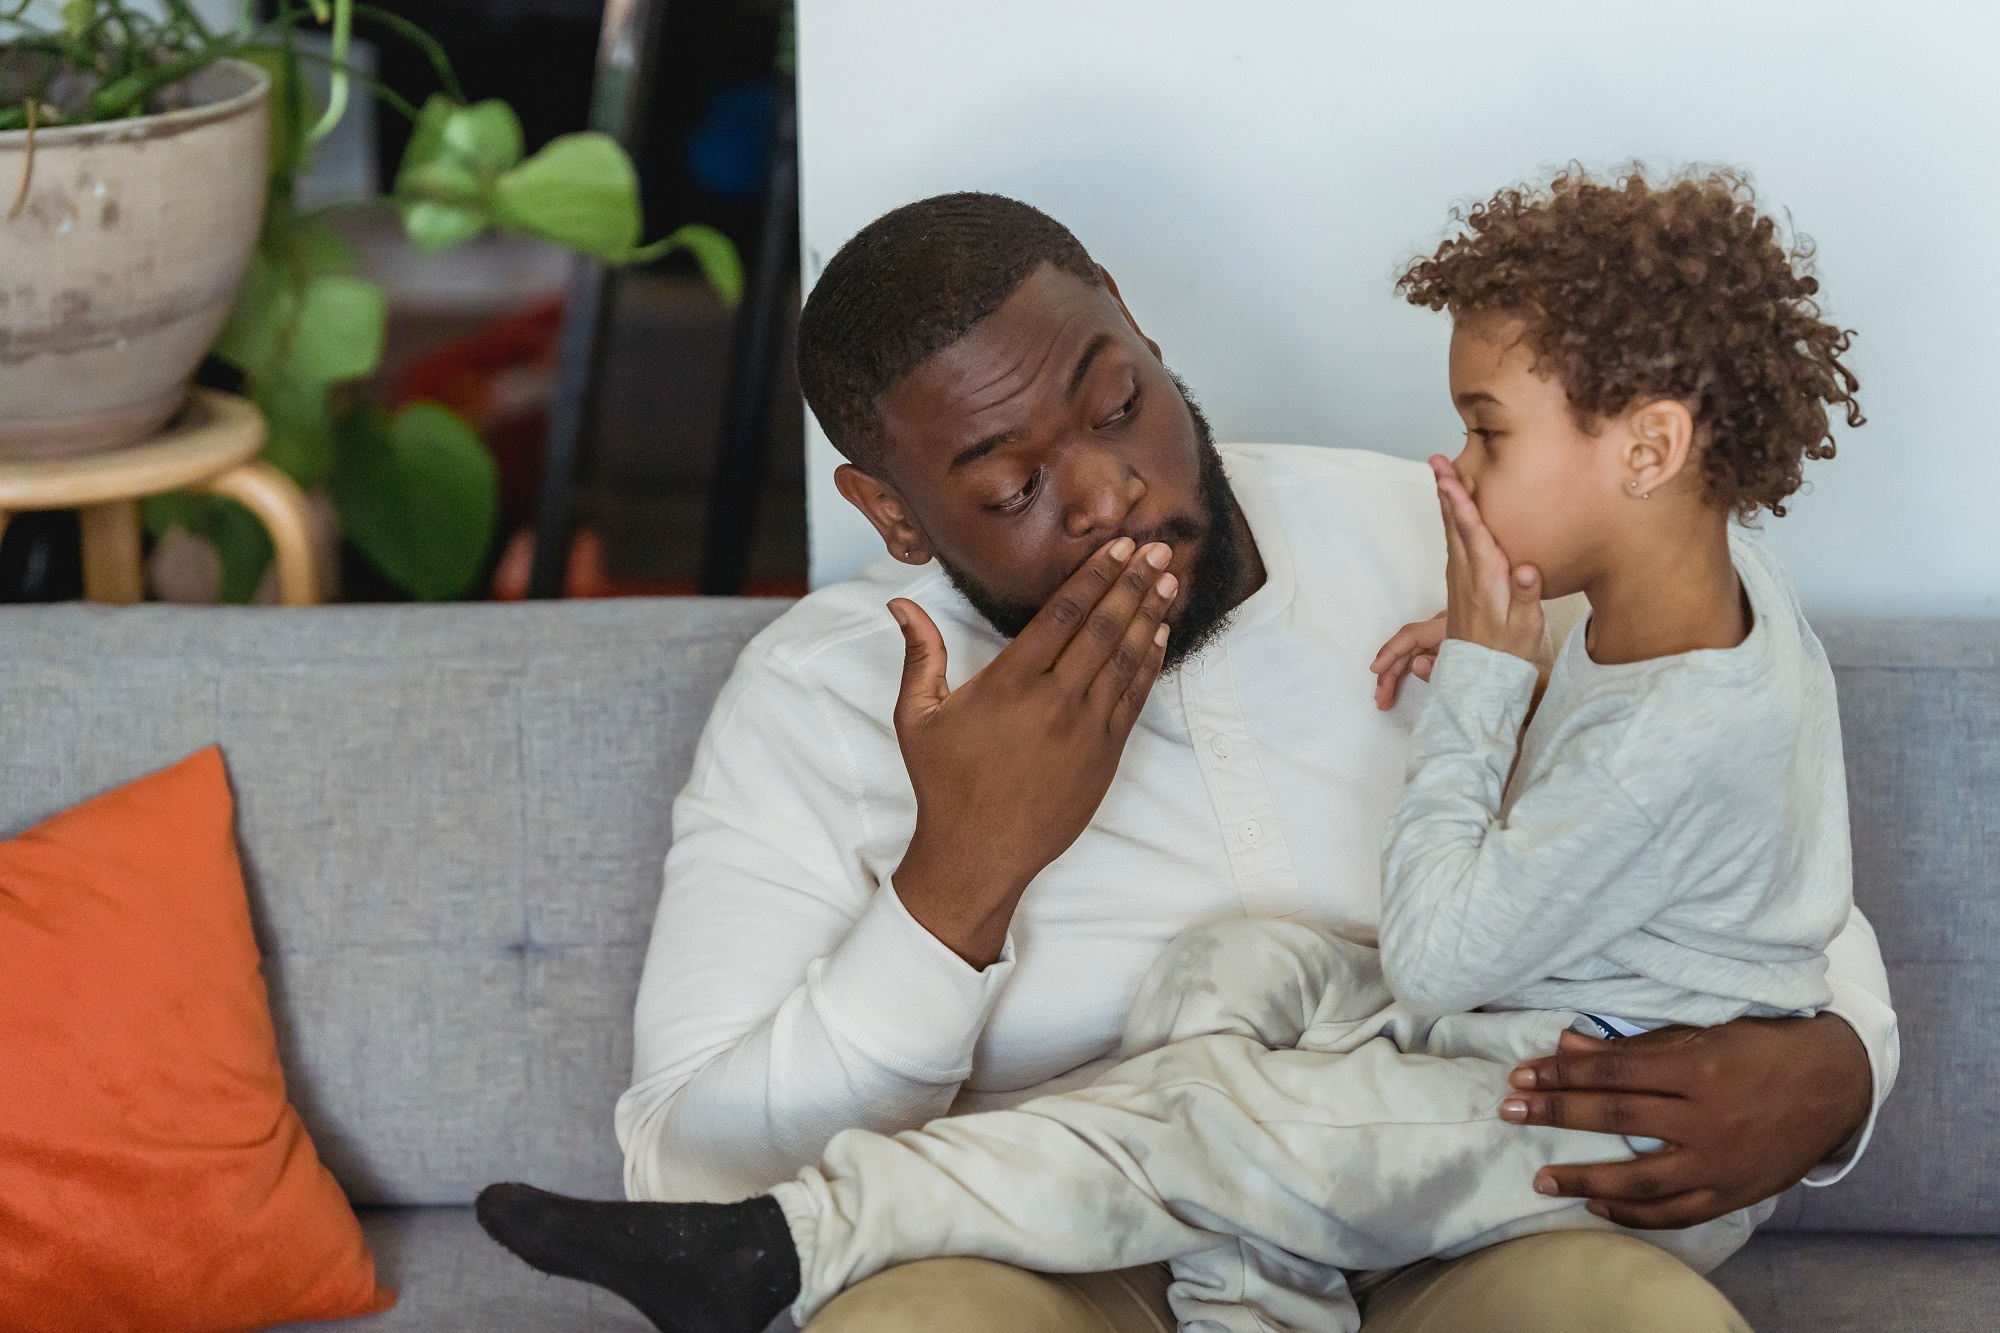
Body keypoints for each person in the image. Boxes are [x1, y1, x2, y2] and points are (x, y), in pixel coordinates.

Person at [478, 186, 1896, 1332]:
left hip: (1459, 1231)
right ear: (894, 512)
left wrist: (1836, 1071)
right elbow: (682, 1160)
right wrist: (954, 890)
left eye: (1115, 406)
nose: (1114, 495)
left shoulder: (1453, 539)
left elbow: (1750, 857)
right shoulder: (816, 699)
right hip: (1056, 1278)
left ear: (1141, 331)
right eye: (1013, 487)